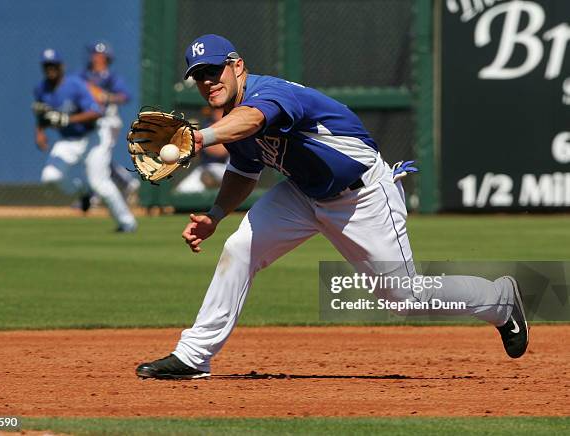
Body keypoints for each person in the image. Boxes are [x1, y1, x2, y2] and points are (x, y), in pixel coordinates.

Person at [136, 35, 529, 379]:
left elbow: (253, 121)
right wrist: (215, 215)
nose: (207, 82)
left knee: (405, 299)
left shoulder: (269, 94)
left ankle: (499, 300)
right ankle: (193, 356)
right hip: (303, 194)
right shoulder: (228, 120)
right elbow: (243, 169)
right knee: (240, 249)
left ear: (238, 67)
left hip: (362, 197)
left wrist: (200, 137)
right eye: (198, 76)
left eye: (213, 71)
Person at [34, 48, 137, 232]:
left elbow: (96, 112)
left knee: (100, 182)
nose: (50, 69)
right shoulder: (41, 89)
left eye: (54, 65)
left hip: (93, 138)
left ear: (61, 66)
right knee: (50, 177)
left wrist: (67, 119)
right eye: (47, 66)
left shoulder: (75, 85)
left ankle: (126, 222)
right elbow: (42, 114)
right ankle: (84, 192)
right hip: (69, 140)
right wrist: (40, 131)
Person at [79, 41, 141, 210]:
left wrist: (105, 97)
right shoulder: (85, 76)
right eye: (92, 54)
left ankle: (94, 196)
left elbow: (125, 96)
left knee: (98, 157)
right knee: (97, 158)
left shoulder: (110, 77)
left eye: (96, 54)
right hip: (92, 122)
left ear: (104, 58)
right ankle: (127, 183)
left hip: (108, 122)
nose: (93, 57)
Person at [175, 107, 229, 194]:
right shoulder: (206, 125)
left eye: (219, 110)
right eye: (214, 110)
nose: (216, 112)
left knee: (208, 174)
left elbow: (221, 151)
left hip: (227, 169)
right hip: (205, 168)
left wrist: (200, 139)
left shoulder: (233, 127)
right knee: (182, 191)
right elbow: (196, 156)